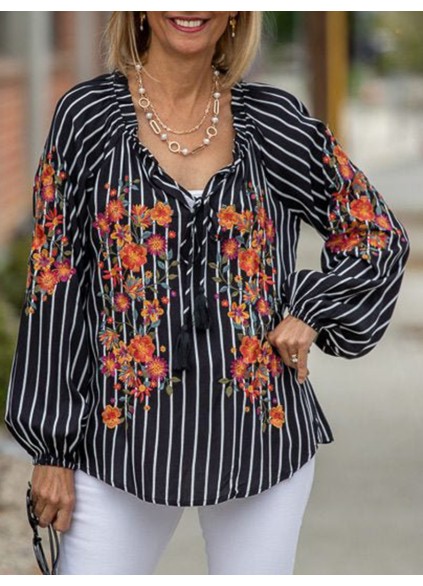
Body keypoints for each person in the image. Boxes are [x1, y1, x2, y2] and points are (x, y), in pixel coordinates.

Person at [4, 11, 410, 575]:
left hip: (259, 438)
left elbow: (375, 233)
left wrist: (312, 309)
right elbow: (53, 283)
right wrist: (50, 447)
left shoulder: (274, 123)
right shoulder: (87, 119)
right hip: (116, 441)